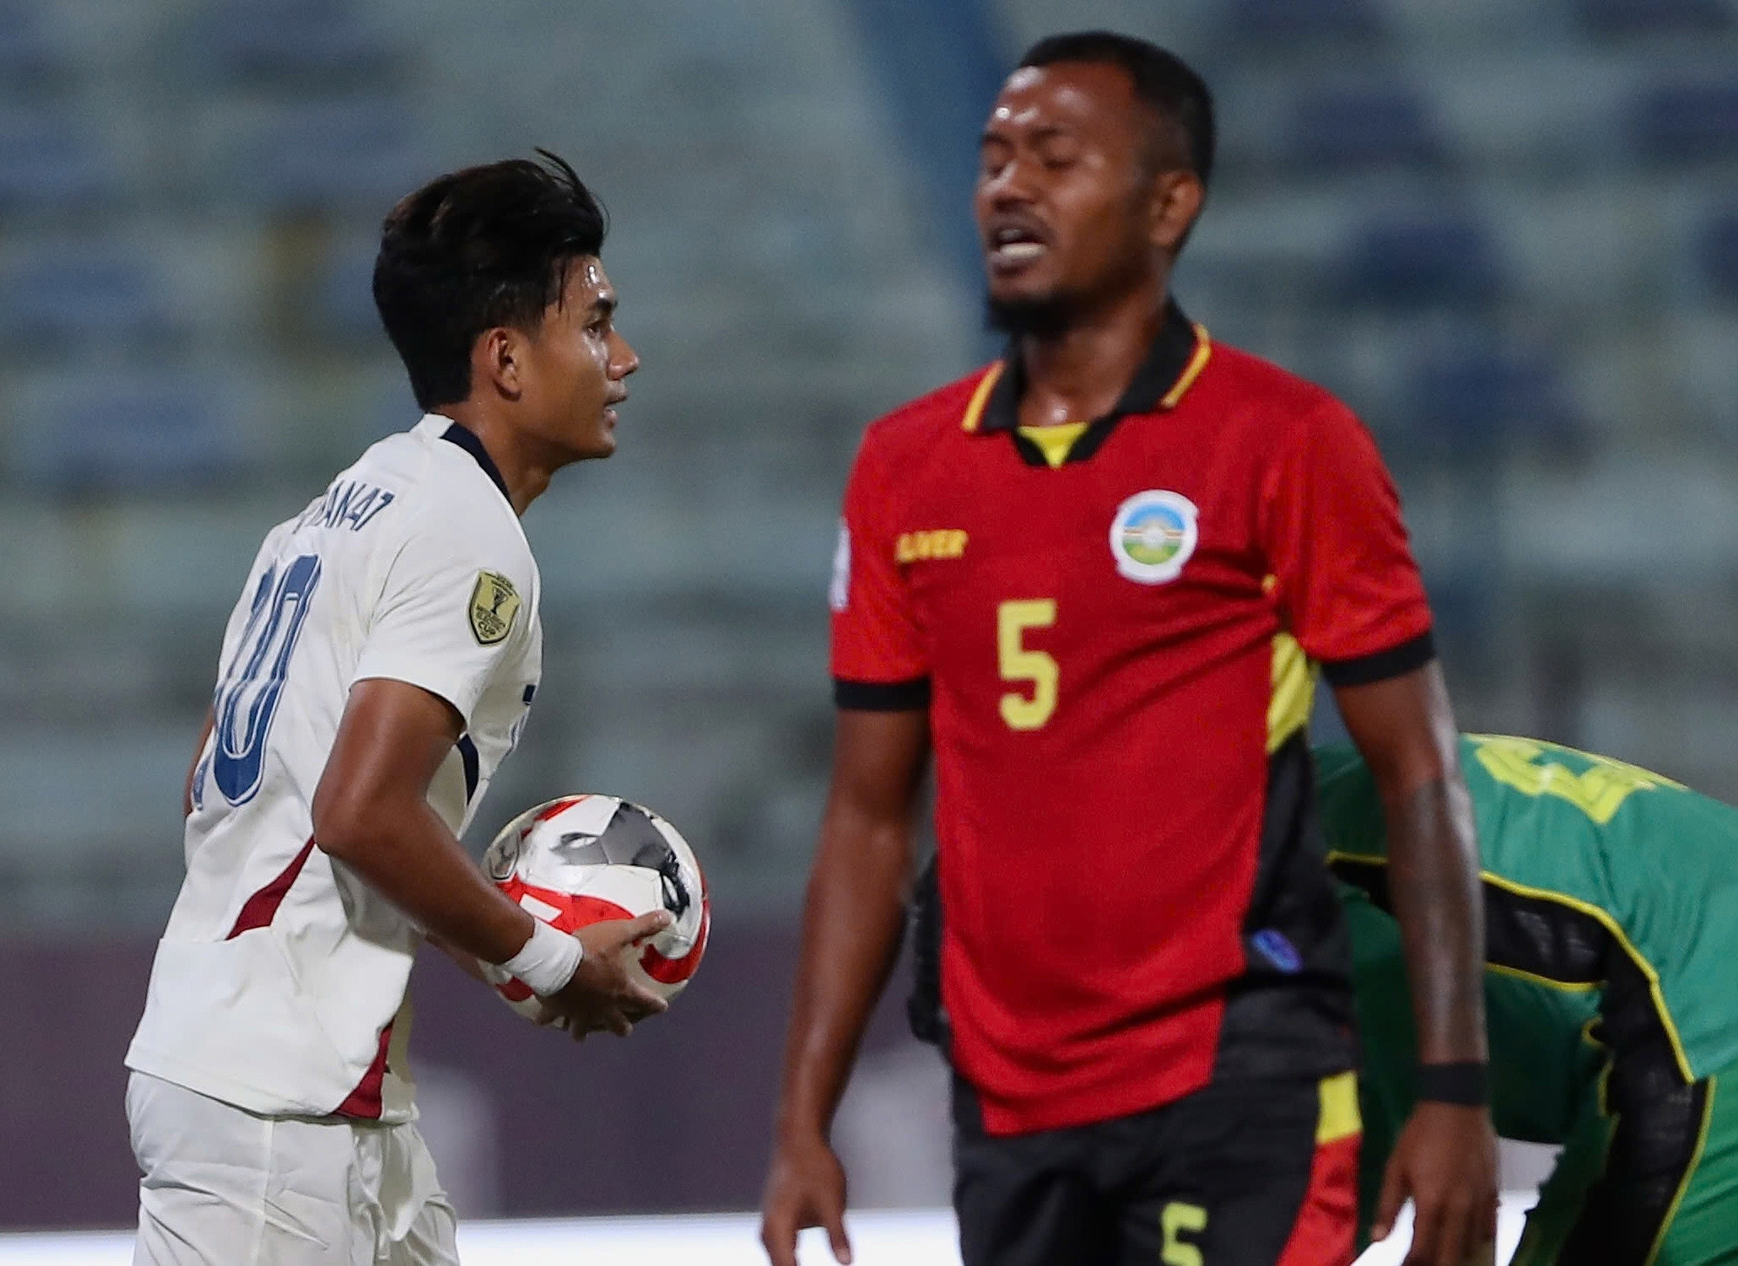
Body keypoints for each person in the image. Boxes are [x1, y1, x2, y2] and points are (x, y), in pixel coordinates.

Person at [761, 31, 1498, 1266]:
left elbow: (1420, 772)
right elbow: (868, 815)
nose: (1008, 186)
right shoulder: (905, 466)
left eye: (1055, 157)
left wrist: (1456, 1088)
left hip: (1239, 1071)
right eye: (993, 156)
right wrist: (801, 1119)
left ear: (1170, 204)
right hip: (1008, 1104)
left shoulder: (1285, 442)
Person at [122, 152, 665, 1266]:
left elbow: (228, 784)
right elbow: (360, 813)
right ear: (507, 358)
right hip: (277, 1105)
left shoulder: (333, 514)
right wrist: (548, 961)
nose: (624, 357)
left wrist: (511, 946)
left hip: (300, 1080)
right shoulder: (467, 532)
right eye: (597, 323)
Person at [1320, 733, 1738, 1266]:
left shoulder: (1276, 886)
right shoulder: (1322, 795)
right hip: (1692, 978)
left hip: (1704, 1014)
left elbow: (1320, 1178)